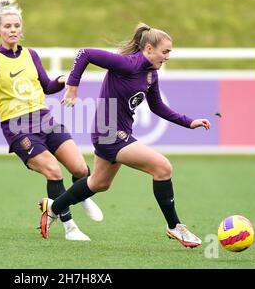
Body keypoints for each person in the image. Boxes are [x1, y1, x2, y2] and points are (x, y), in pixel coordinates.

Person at [39, 22, 211, 248]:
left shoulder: (151, 75)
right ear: (149, 49)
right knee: (162, 167)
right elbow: (85, 54)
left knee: (99, 183)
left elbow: (158, 107)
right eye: (165, 51)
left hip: (116, 134)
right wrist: (72, 86)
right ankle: (174, 227)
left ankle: (53, 208)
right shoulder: (127, 64)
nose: (168, 56)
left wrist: (189, 122)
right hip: (109, 134)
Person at [0, 0, 103, 241]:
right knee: (53, 171)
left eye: (16, 26)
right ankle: (70, 228)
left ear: (21, 28)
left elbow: (46, 86)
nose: (12, 30)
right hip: (17, 127)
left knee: (80, 167)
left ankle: (83, 196)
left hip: (44, 119)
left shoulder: (31, 55)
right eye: (7, 26)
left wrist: (60, 81)